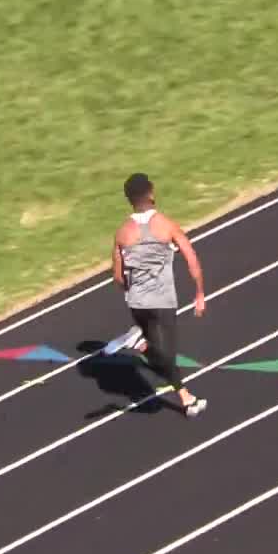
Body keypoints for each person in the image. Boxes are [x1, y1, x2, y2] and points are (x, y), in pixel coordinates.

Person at [106, 173, 207, 417]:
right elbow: (191, 257)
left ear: (128, 199)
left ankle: (186, 399)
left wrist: (131, 290)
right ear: (151, 193)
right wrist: (200, 293)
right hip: (162, 301)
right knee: (167, 356)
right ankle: (141, 346)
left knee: (161, 356)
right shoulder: (166, 224)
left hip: (137, 303)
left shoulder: (122, 233)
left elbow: (118, 277)